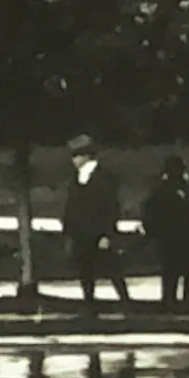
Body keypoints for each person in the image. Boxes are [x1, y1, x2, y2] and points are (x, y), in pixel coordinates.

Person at [60, 134, 130, 313]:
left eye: (76, 156)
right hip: (81, 233)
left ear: (85, 156)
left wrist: (107, 233)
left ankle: (125, 301)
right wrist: (68, 229)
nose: (74, 160)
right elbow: (71, 207)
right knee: (86, 271)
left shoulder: (104, 178)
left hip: (98, 232)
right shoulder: (76, 179)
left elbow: (110, 208)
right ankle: (89, 304)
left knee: (111, 268)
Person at [139, 154, 189, 312]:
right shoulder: (186, 190)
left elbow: (149, 214)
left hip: (168, 239)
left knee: (171, 272)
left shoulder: (159, 191)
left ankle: (170, 302)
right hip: (187, 238)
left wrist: (152, 233)